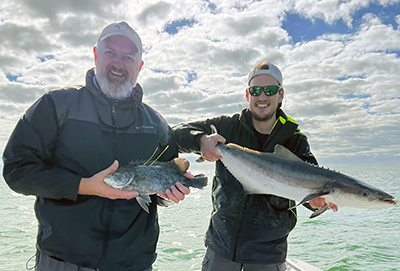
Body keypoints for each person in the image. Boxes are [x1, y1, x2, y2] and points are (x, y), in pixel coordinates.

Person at [2, 21, 191, 271]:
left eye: (127, 57)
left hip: (133, 264)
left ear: (139, 66)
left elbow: (161, 188)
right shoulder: (55, 107)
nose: (118, 63)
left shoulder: (157, 124)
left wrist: (170, 195)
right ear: (95, 55)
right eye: (110, 53)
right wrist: (82, 186)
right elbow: (16, 170)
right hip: (62, 261)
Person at [173, 61, 338, 271]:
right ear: (247, 94)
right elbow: (176, 133)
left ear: (281, 95)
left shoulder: (294, 140)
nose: (262, 97)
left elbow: (311, 184)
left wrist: (316, 202)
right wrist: (200, 141)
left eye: (269, 90)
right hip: (222, 246)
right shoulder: (227, 126)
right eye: (255, 90)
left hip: (269, 253)